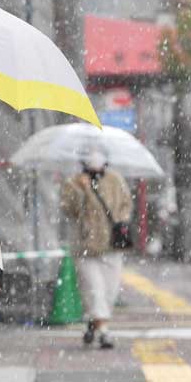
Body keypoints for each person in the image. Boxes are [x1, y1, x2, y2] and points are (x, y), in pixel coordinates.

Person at [60, 146, 133, 349]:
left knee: (110, 292)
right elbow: (69, 209)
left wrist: (121, 222)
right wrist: (82, 192)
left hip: (112, 245)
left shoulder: (115, 179)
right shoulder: (72, 183)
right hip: (85, 246)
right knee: (94, 290)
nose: (95, 158)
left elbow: (126, 204)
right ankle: (104, 333)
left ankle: (94, 323)